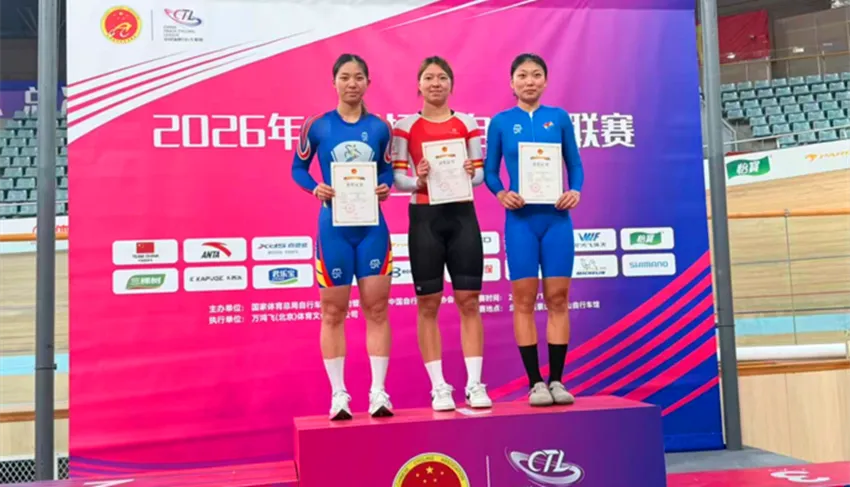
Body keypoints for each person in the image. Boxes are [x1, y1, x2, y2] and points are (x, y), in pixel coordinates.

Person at [291, 53, 395, 421]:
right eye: (345, 77)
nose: (352, 83)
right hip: (333, 228)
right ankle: (339, 395)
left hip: (371, 229)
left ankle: (379, 392)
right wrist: (315, 188)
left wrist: (384, 186)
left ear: (368, 82)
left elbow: (387, 171)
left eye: (359, 77)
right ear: (334, 81)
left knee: (377, 309)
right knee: (332, 311)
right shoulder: (317, 126)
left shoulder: (381, 128)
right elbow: (298, 169)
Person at [391, 56, 492, 412]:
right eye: (429, 78)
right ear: (418, 85)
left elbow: (479, 176)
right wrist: (417, 179)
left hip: (462, 216)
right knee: (428, 304)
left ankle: (475, 384)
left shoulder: (467, 123)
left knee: (469, 301)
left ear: (451, 84)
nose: (436, 83)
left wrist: (470, 171)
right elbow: (398, 179)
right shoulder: (405, 126)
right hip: (425, 219)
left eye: (442, 78)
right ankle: (439, 387)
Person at [483, 53, 584, 407]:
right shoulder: (501, 122)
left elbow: (574, 164)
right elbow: (490, 171)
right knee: (524, 301)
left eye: (536, 75)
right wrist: (501, 193)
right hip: (521, 222)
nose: (530, 81)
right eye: (523, 75)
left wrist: (575, 191)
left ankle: (557, 380)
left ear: (546, 80)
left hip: (557, 220)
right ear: (512, 83)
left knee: (558, 299)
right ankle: (535, 383)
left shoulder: (559, 118)